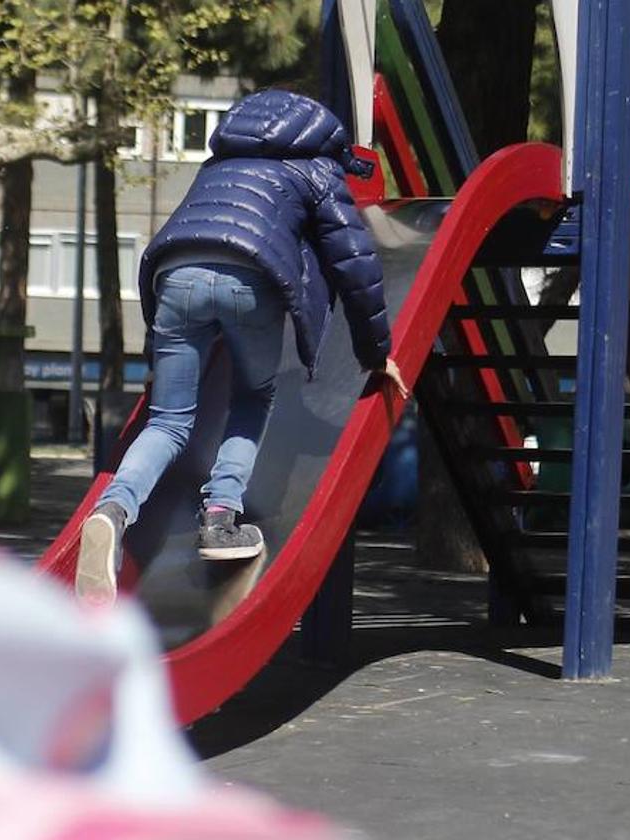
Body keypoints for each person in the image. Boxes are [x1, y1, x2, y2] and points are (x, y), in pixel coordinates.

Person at [76, 89, 409, 606]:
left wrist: (153, 357)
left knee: (167, 421)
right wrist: (375, 350)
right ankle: (221, 517)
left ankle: (111, 511)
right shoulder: (316, 169)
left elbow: (189, 231)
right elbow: (355, 262)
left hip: (173, 275)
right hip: (249, 279)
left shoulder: (216, 166)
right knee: (253, 399)